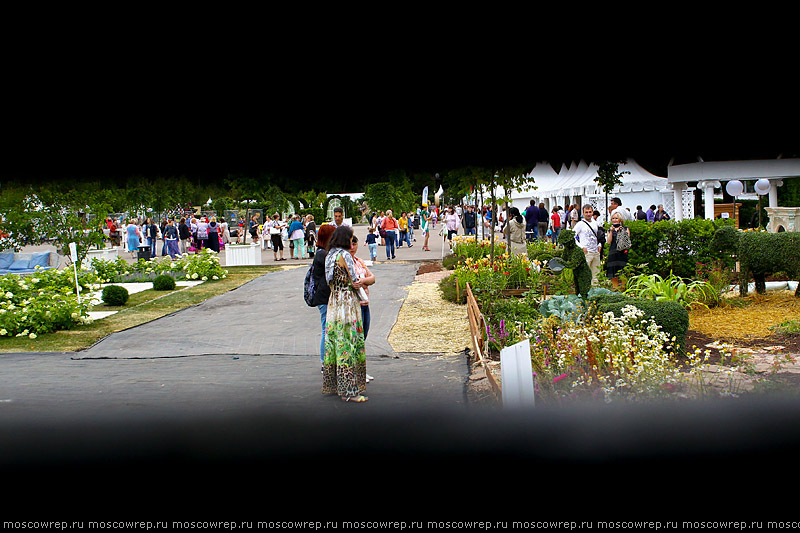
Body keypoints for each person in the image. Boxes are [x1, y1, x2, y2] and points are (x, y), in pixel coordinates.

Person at [322, 225, 368, 403]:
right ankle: (350, 390)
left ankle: (334, 385)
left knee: (335, 341)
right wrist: (361, 283)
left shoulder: (329, 256)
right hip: (347, 302)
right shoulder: (344, 255)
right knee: (348, 342)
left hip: (334, 302)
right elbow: (354, 280)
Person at [349, 235, 375, 384]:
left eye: (354, 244)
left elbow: (372, 278)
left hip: (365, 303)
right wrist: (364, 282)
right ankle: (355, 371)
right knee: (356, 339)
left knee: (362, 338)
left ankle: (360, 370)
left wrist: (364, 281)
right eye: (350, 245)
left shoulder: (359, 261)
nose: (352, 247)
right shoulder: (347, 263)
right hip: (355, 305)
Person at [311, 224, 335, 369]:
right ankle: (324, 362)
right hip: (324, 297)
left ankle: (327, 361)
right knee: (326, 329)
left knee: (328, 328)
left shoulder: (323, 252)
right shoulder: (322, 254)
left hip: (325, 296)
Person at [574, 204, 602, 286]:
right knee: (585, 274)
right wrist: (581, 247)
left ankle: (595, 291)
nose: (588, 214)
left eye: (590, 212)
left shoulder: (595, 223)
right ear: (583, 213)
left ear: (592, 212)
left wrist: (599, 244)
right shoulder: (580, 224)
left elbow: (599, 236)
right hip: (586, 252)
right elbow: (572, 236)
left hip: (595, 252)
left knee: (596, 274)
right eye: (586, 212)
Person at [606, 212, 631, 290]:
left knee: (623, 272)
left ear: (620, 219)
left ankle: (624, 289)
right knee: (613, 273)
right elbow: (609, 242)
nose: (614, 220)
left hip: (622, 252)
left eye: (616, 218)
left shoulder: (625, 228)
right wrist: (611, 231)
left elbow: (627, 240)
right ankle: (615, 289)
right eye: (613, 218)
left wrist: (622, 231)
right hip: (613, 252)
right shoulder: (609, 230)